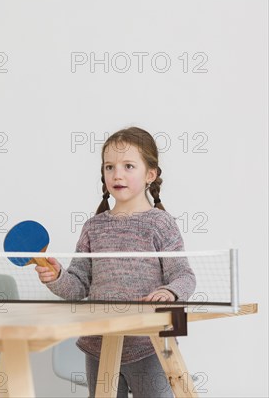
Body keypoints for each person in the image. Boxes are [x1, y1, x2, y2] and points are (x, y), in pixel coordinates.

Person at [37, 127, 196, 398]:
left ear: (150, 174)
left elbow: (184, 276)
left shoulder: (160, 223)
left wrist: (168, 292)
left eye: (128, 166)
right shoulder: (93, 227)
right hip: (100, 345)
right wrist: (58, 277)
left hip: (151, 345)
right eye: (109, 167)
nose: (117, 174)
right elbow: (77, 286)